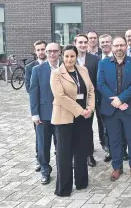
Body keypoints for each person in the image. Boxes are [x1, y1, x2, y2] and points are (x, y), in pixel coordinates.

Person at [50, 45, 95, 197]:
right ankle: (64, 188)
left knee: (81, 150)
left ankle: (82, 182)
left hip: (83, 118)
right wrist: (80, 110)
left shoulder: (83, 70)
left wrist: (90, 108)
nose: (69, 59)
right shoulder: (56, 74)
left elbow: (91, 90)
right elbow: (60, 97)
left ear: (77, 57)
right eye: (67, 56)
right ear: (62, 56)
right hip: (64, 118)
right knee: (64, 153)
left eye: (72, 56)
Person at [97, 36, 131, 182]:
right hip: (111, 109)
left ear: (126, 46)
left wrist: (121, 99)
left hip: (130, 108)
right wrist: (115, 101)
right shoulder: (103, 63)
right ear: (112, 47)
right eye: (116, 46)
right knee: (114, 139)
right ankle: (117, 167)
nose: (119, 48)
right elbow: (101, 84)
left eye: (121, 45)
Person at [29, 42, 60, 185]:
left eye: (55, 51)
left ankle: (62, 169)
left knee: (61, 144)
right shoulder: (37, 70)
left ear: (59, 52)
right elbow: (33, 92)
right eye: (49, 51)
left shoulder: (65, 68)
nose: (52, 54)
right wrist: (34, 114)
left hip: (62, 114)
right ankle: (45, 171)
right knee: (43, 145)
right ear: (46, 53)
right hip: (43, 114)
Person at [73, 34, 101, 168]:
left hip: (89, 100)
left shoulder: (95, 60)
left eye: (85, 42)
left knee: (87, 128)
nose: (83, 45)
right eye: (80, 42)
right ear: (75, 43)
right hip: (73, 101)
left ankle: (89, 154)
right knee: (74, 128)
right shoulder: (69, 57)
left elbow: (98, 80)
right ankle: (76, 154)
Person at [25, 40, 47, 172]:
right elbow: (29, 87)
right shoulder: (30, 68)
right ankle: (40, 159)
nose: (41, 52)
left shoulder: (56, 65)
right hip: (39, 106)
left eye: (43, 49)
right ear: (35, 52)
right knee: (40, 136)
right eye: (38, 50)